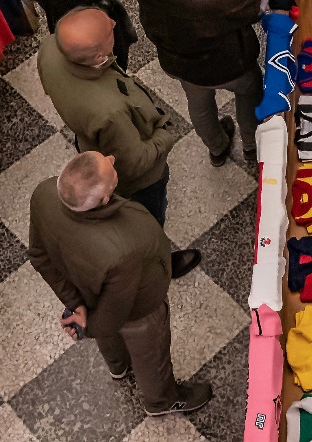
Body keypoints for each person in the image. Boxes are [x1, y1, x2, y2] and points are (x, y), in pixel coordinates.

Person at [28, 151, 211, 414]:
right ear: (104, 199)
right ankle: (161, 401)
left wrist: (77, 304)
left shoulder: (43, 193)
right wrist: (86, 327)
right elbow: (113, 316)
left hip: (89, 294)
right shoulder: (122, 251)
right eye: (110, 169)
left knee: (107, 334)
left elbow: (39, 255)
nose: (113, 159)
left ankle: (118, 366)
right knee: (150, 356)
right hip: (140, 309)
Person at [129, 0, 265, 167]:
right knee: (250, 93)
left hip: (180, 64)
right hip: (229, 64)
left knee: (199, 106)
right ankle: (251, 145)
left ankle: (217, 148)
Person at [38, 7, 183, 226]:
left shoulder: (49, 47)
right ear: (98, 56)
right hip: (142, 180)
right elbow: (135, 163)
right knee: (152, 213)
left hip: (87, 135)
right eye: (109, 31)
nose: (115, 24)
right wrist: (165, 136)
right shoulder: (110, 113)